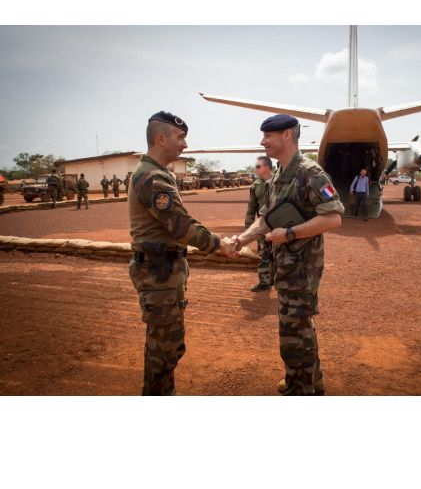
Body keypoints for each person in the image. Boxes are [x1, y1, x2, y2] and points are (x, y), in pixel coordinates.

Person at [232, 114, 344, 395]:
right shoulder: (278, 175)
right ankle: (309, 379)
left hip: (302, 266)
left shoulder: (310, 172)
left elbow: (333, 218)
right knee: (298, 325)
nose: (262, 141)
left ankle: (302, 389)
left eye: (267, 136)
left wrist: (290, 234)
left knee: (294, 330)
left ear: (286, 136)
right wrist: (242, 239)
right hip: (286, 266)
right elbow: (265, 218)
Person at [128, 110, 236, 396]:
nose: (185, 145)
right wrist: (218, 244)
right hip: (158, 273)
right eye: (181, 138)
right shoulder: (151, 176)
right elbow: (178, 224)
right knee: (163, 350)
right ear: (161, 138)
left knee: (167, 346)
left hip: (163, 272)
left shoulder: (159, 173)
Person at [245, 156, 274, 292]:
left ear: (267, 167)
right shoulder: (255, 186)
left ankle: (280, 280)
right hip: (262, 225)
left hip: (280, 225)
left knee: (281, 253)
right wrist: (248, 227)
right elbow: (251, 207)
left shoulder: (280, 182)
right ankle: (264, 281)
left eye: (258, 166)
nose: (255, 169)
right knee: (263, 253)